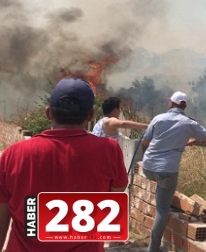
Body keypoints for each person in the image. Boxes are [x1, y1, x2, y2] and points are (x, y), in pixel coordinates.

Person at [0, 78, 129, 252]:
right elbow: (114, 199)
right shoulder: (109, 151)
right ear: (90, 115)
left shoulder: (13, 154)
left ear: (48, 113)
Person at [141, 91, 206, 252]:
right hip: (166, 171)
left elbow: (145, 142)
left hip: (147, 168)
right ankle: (153, 249)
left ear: (171, 104)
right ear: (184, 106)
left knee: (160, 185)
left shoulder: (158, 118)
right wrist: (194, 141)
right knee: (162, 210)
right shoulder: (189, 123)